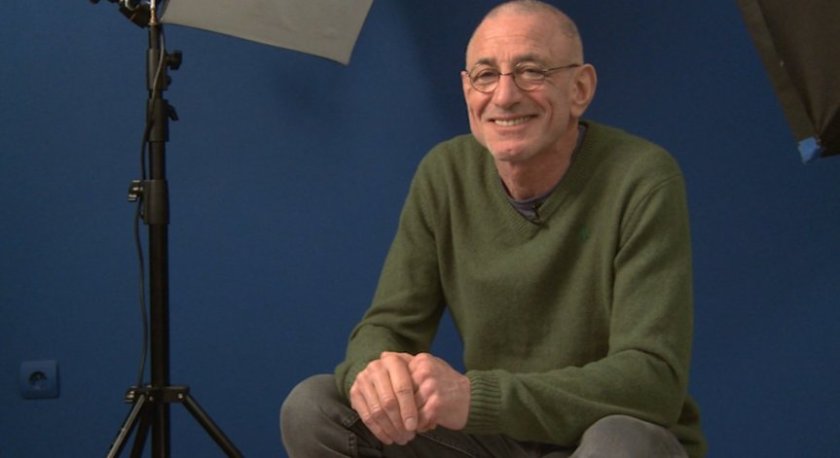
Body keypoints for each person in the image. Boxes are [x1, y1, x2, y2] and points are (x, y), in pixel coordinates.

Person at [281, 1, 706, 456]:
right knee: (314, 408)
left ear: (580, 88)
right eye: (486, 75)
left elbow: (651, 381)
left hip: (601, 436)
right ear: (468, 91)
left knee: (621, 444)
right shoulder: (445, 174)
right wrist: (375, 374)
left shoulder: (641, 178)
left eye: (531, 71)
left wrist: (475, 398)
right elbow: (387, 326)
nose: (504, 96)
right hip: (495, 439)